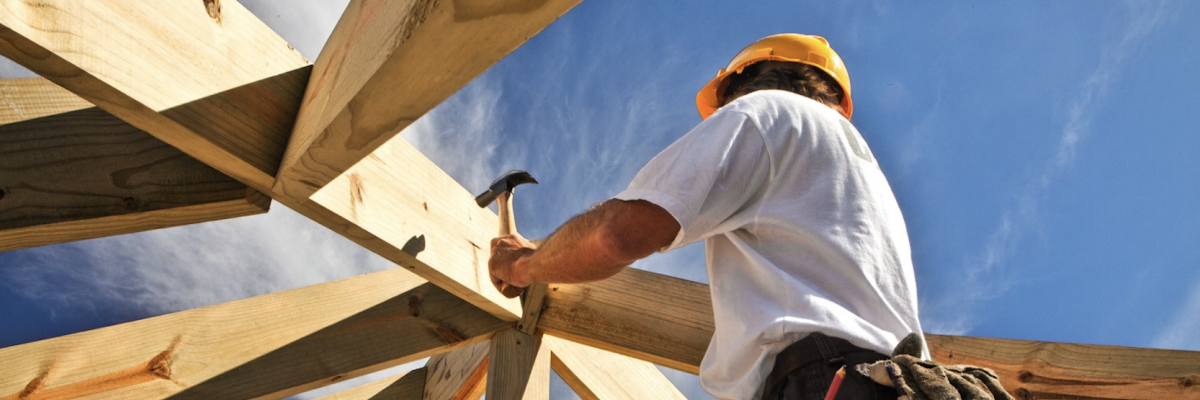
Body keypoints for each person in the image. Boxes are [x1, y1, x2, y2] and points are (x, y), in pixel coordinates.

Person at [489, 33, 925, 400]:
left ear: (743, 81)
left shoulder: (768, 112)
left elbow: (614, 236)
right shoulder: (859, 173)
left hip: (820, 382)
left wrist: (525, 262)